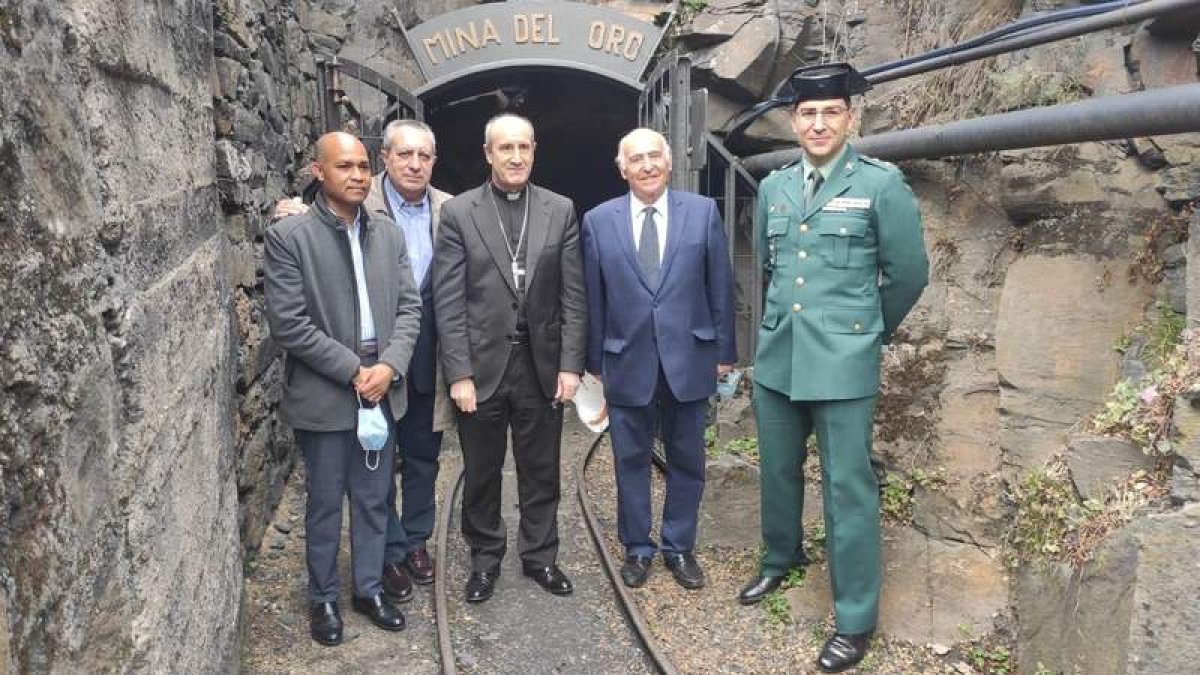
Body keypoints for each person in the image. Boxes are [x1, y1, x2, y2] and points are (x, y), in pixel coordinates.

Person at [738, 63, 929, 673]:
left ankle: (854, 617)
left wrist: (866, 335)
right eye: (808, 114)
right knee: (777, 471)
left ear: (850, 118)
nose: (818, 123)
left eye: (830, 112)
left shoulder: (881, 183)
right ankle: (779, 560)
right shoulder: (775, 186)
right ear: (794, 122)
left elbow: (908, 275)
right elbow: (772, 272)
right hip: (779, 357)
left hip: (844, 362)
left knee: (847, 489)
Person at [274, 120, 454, 601]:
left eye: (360, 165)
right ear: (318, 171)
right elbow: (290, 325)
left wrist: (389, 367)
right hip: (328, 389)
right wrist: (357, 372)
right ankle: (324, 600)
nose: (356, 174)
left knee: (375, 499)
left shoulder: (388, 236)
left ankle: (369, 589)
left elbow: (410, 308)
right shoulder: (290, 236)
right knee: (326, 502)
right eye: (344, 166)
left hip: (384, 378)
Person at [433, 113, 586, 603]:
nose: (516, 157)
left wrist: (570, 364)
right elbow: (449, 300)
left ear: (534, 149)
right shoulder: (459, 212)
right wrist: (458, 372)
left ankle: (541, 556)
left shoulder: (559, 209)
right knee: (481, 470)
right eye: (505, 148)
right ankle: (484, 559)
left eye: (523, 147)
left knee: (541, 468)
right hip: (480, 368)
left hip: (541, 364)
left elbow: (574, 297)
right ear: (488, 154)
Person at [580, 128, 735, 590]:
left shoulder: (703, 212)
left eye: (654, 156)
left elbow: (720, 286)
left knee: (688, 458)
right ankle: (638, 548)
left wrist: (724, 352)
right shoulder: (597, 221)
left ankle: (679, 547)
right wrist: (594, 365)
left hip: (689, 357)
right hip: (626, 360)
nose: (646, 165)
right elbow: (594, 298)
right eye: (636, 159)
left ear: (668, 163)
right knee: (630, 460)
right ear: (622, 168)